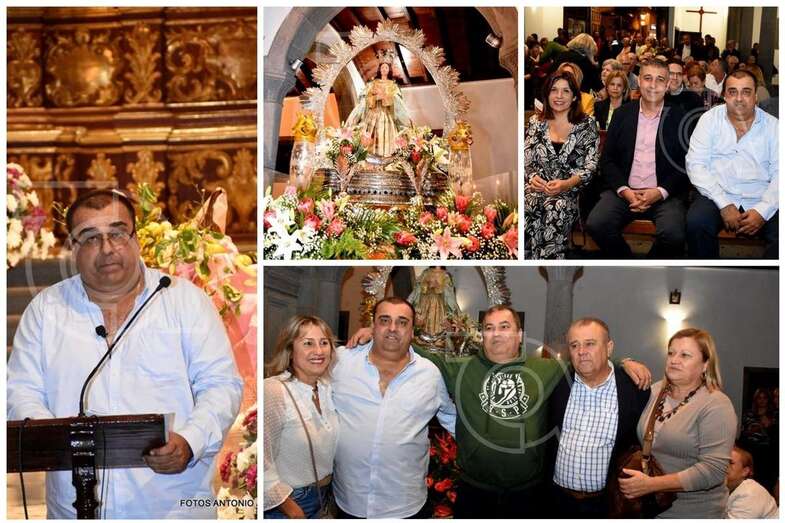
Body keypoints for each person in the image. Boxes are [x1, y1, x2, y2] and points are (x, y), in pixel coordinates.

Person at [7, 189, 243, 518]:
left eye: (117, 233)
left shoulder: (185, 301)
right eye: (90, 237)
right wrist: (60, 443)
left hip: (170, 504)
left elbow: (221, 385)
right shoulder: (46, 310)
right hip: (76, 505)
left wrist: (191, 441)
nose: (107, 248)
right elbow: (21, 391)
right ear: (73, 247)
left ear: (136, 238)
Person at [347, 304, 652, 518]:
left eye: (505, 327)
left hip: (528, 495)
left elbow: (587, 360)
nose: (496, 334)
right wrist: (378, 333)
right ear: (482, 335)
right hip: (474, 493)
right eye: (489, 328)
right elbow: (416, 350)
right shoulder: (460, 369)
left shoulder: (546, 370)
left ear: (519, 335)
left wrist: (623, 362)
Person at [332, 297, 456, 518]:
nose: (392, 328)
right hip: (350, 500)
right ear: (373, 325)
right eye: (384, 320)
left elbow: (452, 419)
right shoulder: (341, 361)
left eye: (402, 322)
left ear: (412, 331)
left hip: (405, 504)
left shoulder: (429, 374)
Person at [619, 328, 737, 518]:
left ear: (705, 364)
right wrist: (625, 362)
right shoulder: (654, 391)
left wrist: (652, 485)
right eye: (671, 353)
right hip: (649, 508)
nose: (674, 360)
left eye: (685, 355)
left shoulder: (716, 404)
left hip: (695, 512)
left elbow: (713, 471)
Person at [585, 58, 690, 259]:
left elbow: (685, 165)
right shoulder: (622, 114)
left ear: (668, 84)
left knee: (674, 235)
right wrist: (625, 191)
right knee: (597, 224)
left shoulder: (680, 118)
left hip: (663, 194)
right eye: (648, 78)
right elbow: (607, 160)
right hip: (625, 192)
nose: (653, 85)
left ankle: (650, 267)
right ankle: (627, 263)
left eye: (660, 80)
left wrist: (659, 192)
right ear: (639, 81)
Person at [548, 318, 650, 517]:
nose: (581, 351)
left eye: (590, 343)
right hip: (557, 501)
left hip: (607, 504)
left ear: (609, 348)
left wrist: (625, 362)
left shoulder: (634, 389)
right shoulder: (557, 381)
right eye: (574, 345)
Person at [685, 69, 779, 259]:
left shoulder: (774, 126)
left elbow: (780, 173)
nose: (739, 98)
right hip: (716, 193)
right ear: (724, 95)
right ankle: (708, 275)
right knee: (696, 222)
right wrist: (724, 204)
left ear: (756, 96)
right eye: (733, 91)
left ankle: (769, 277)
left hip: (762, 195)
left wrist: (762, 211)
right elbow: (695, 164)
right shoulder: (709, 120)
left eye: (746, 92)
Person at [264, 315, 339, 519]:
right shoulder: (274, 390)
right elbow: (261, 459)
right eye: (308, 343)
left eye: (324, 343)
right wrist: (289, 507)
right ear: (290, 350)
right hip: (289, 504)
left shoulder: (327, 389)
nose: (319, 351)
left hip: (326, 499)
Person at [525, 71, 600, 259]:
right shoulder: (536, 122)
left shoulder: (587, 124)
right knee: (527, 205)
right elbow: (527, 159)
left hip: (570, 190)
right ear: (547, 94)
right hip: (537, 187)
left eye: (565, 91)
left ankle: (551, 263)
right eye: (554, 90)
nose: (559, 96)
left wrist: (567, 183)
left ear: (574, 96)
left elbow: (591, 165)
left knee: (554, 206)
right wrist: (533, 178)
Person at [345, 48, 411, 157]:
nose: (384, 69)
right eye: (382, 67)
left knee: (386, 136)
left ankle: (386, 157)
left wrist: (385, 97)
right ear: (379, 69)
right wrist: (374, 98)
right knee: (370, 136)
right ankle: (370, 156)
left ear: (389, 70)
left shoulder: (393, 85)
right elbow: (365, 98)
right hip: (373, 115)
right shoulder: (372, 83)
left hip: (386, 115)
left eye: (386, 67)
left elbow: (397, 100)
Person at [726, 446, 779, 518]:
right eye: (723, 462)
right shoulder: (726, 488)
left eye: (730, 462)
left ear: (745, 471)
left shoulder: (750, 492)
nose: (724, 466)